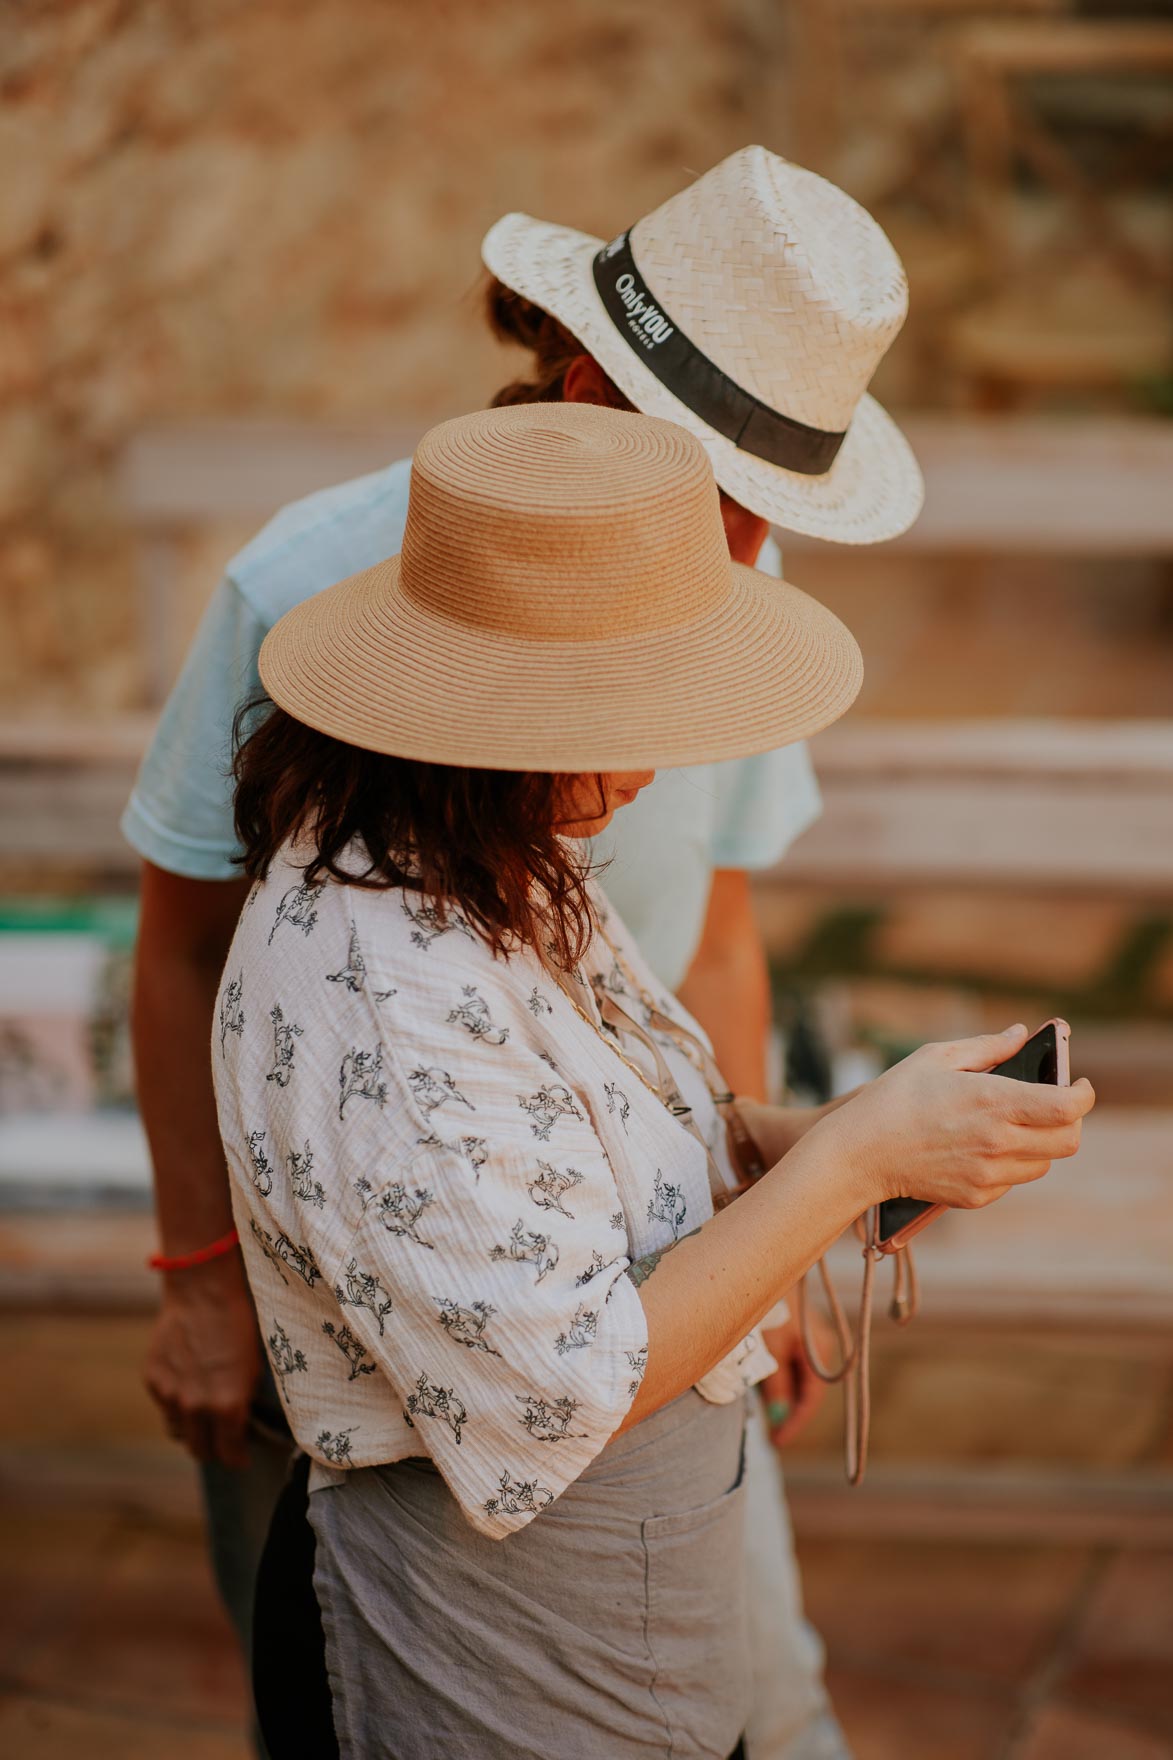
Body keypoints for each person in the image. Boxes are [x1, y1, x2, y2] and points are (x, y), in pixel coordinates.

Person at [126, 146, 923, 1758]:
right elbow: (183, 942)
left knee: (756, 1689)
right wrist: (203, 1279)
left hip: (646, 1295)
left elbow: (717, 928)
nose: (748, 561)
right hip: (381, 1306)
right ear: (587, 388)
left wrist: (767, 1232)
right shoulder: (303, 594)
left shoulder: (721, 587)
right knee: (370, 1649)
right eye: (732, 505)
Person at [214, 400, 1093, 1760]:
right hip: (476, 1649)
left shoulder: (486, 853)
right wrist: (846, 1169)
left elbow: (604, 1125)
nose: (657, 760)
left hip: (610, 1618)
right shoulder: (378, 980)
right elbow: (560, 1381)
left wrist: (844, 1134)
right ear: (502, 714)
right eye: (631, 712)